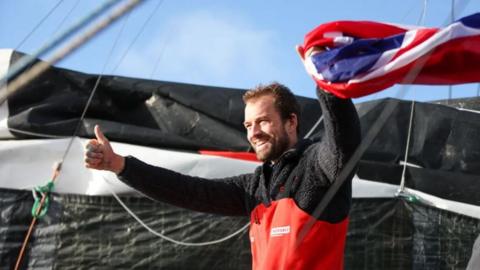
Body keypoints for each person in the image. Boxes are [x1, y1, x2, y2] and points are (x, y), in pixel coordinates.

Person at [84, 49, 361, 269]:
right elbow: (190, 191)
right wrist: (120, 165)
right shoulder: (255, 186)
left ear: (291, 122)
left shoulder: (317, 167)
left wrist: (327, 82)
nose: (254, 133)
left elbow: (343, 146)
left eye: (263, 122)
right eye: (248, 125)